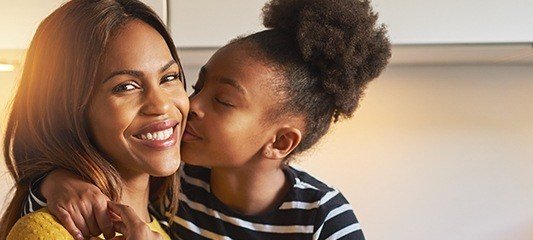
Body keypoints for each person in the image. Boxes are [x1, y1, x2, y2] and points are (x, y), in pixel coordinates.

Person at [25, 0, 391, 239]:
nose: (190, 104)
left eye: (224, 101)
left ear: (280, 142)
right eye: (197, 85)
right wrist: (54, 181)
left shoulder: (323, 217)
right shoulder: (174, 182)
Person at [0, 0, 189, 239]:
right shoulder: (46, 232)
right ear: (68, 111)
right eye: (126, 86)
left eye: (169, 77)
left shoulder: (168, 222)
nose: (161, 104)